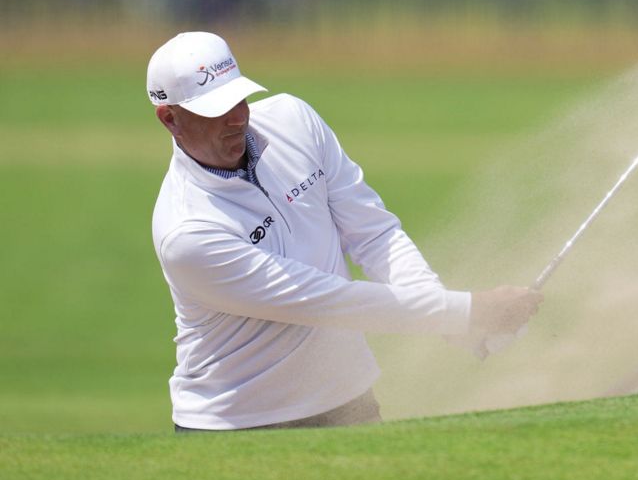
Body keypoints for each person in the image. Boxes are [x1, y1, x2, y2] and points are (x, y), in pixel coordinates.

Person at [147, 31, 542, 431]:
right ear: (170, 118)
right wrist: (468, 312)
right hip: (241, 424)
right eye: (216, 109)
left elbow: (373, 232)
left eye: (238, 98)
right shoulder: (187, 232)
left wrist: (443, 314)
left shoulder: (293, 120)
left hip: (349, 405)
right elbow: (327, 302)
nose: (236, 118)